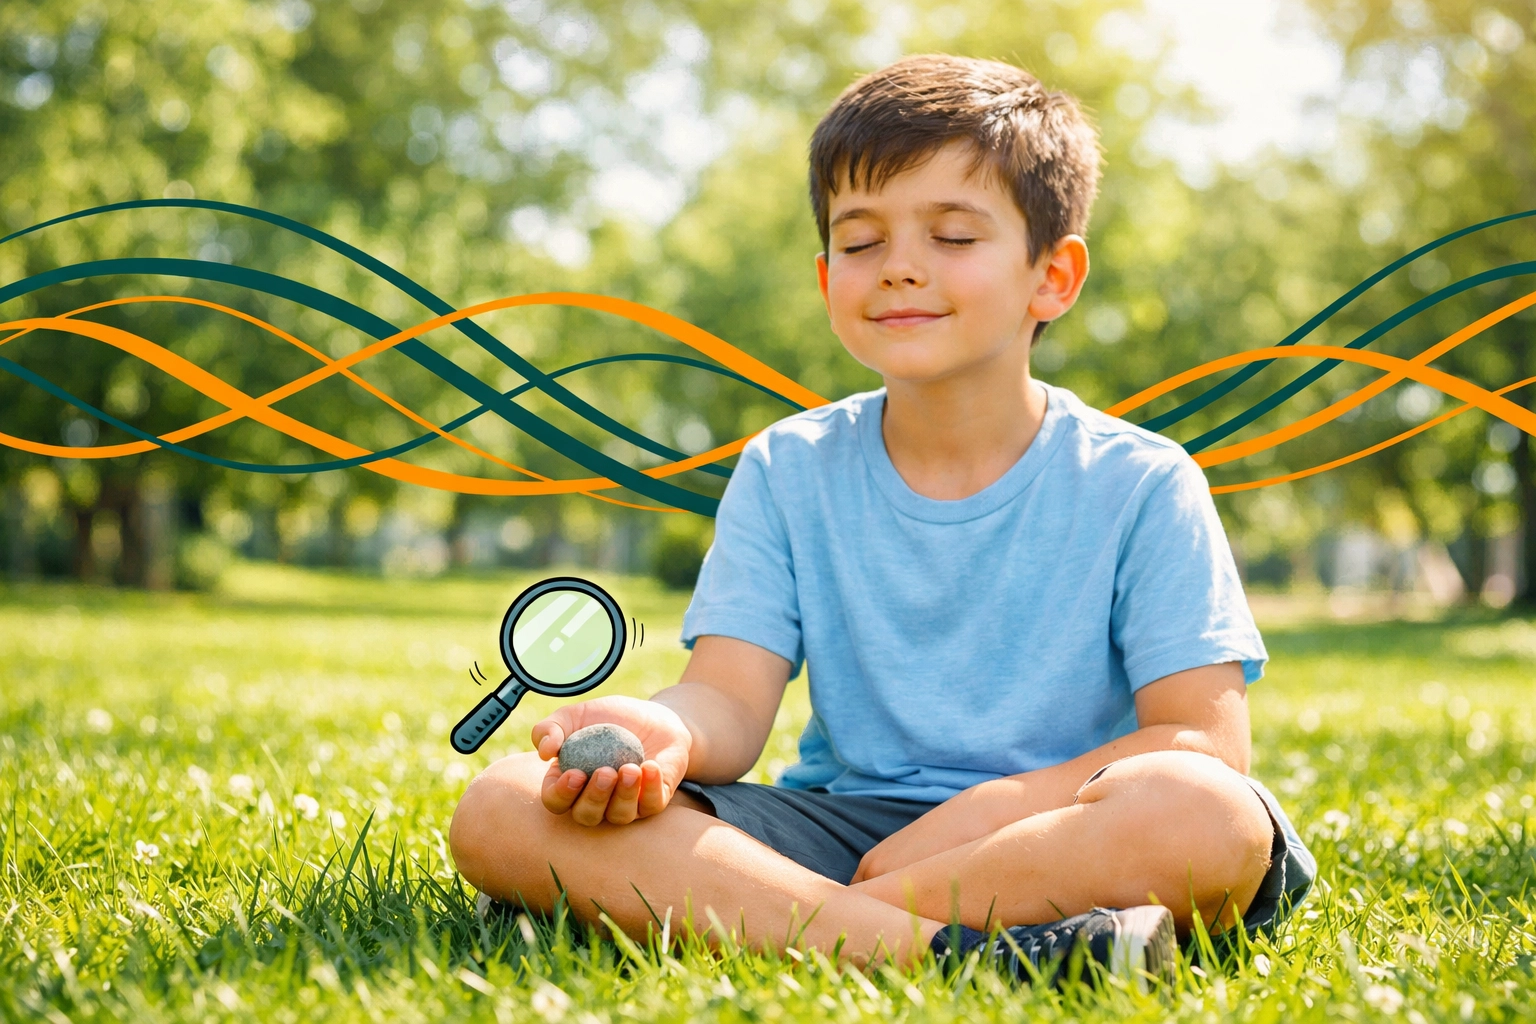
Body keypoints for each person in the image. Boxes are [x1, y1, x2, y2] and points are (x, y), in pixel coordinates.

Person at [449, 53, 1315, 983]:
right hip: (843, 822)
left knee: (1209, 815)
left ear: (1052, 277)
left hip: (1056, 832)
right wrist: (669, 732)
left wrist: (988, 811)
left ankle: (794, 924)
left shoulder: (1144, 481)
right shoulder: (789, 467)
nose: (900, 268)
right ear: (828, 279)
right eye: (861, 244)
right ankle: (971, 958)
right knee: (503, 805)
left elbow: (1200, 741)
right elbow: (731, 701)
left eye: (952, 235)